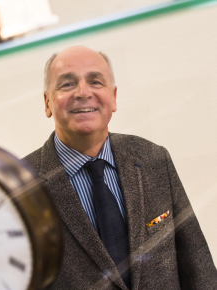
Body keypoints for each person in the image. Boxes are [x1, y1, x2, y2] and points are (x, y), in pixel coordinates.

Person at [23, 46, 217, 290]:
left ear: (113, 97)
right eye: (67, 84)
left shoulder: (153, 159)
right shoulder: (19, 187)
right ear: (47, 101)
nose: (83, 92)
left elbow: (199, 269)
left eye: (95, 81)